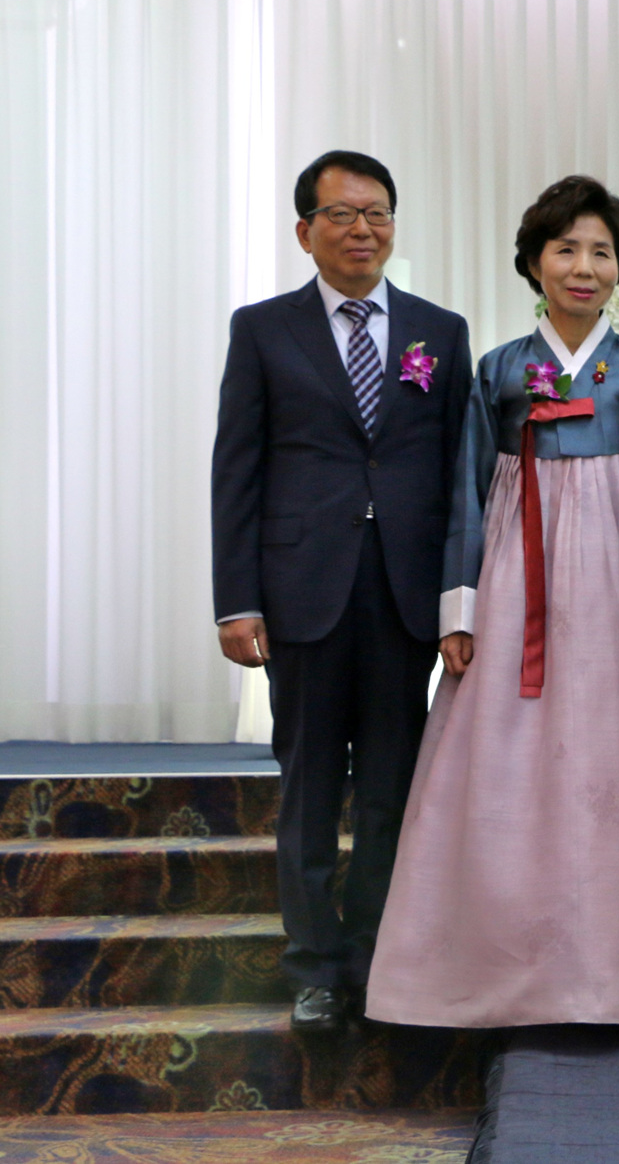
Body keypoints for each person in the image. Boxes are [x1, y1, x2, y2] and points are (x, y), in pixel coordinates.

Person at [364, 176, 619, 1028]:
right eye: (565, 248)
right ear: (534, 261)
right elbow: (467, 491)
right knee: (509, 751)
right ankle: (510, 963)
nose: (583, 267)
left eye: (601, 252)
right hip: (516, 580)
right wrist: (460, 609)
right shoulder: (500, 370)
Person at [211, 150, 472, 1033]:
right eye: (343, 214)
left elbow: (459, 476)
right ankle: (315, 967)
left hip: (404, 593)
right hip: (302, 592)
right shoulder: (263, 330)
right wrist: (236, 598)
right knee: (311, 787)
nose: (363, 229)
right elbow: (236, 470)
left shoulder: (441, 331)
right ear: (305, 231)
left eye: (378, 213)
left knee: (394, 789)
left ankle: (375, 958)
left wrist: (459, 598)